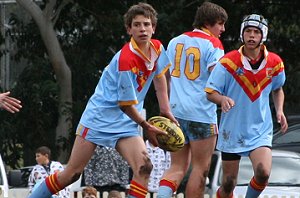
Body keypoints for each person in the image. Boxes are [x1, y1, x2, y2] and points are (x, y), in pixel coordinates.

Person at [28, 2, 177, 198]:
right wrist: (146, 126)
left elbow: (160, 78)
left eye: (147, 24)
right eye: (137, 24)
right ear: (128, 29)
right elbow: (125, 105)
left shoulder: (157, 48)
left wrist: (165, 109)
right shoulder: (126, 60)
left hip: (125, 121)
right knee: (71, 174)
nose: (143, 29)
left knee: (144, 168)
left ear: (153, 28)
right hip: (99, 118)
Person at [205, 14, 288, 197]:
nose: (251, 36)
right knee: (228, 184)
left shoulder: (275, 63)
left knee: (263, 173)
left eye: (256, 32)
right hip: (232, 130)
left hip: (260, 129)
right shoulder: (227, 62)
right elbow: (210, 92)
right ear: (242, 34)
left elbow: (278, 89)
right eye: (248, 31)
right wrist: (222, 100)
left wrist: (280, 110)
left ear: (263, 35)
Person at [157, 2, 228, 198]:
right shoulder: (213, 44)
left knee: (177, 166)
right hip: (202, 114)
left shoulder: (175, 41)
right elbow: (218, 80)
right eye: (220, 24)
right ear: (208, 22)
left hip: (176, 112)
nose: (222, 29)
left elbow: (164, 76)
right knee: (200, 169)